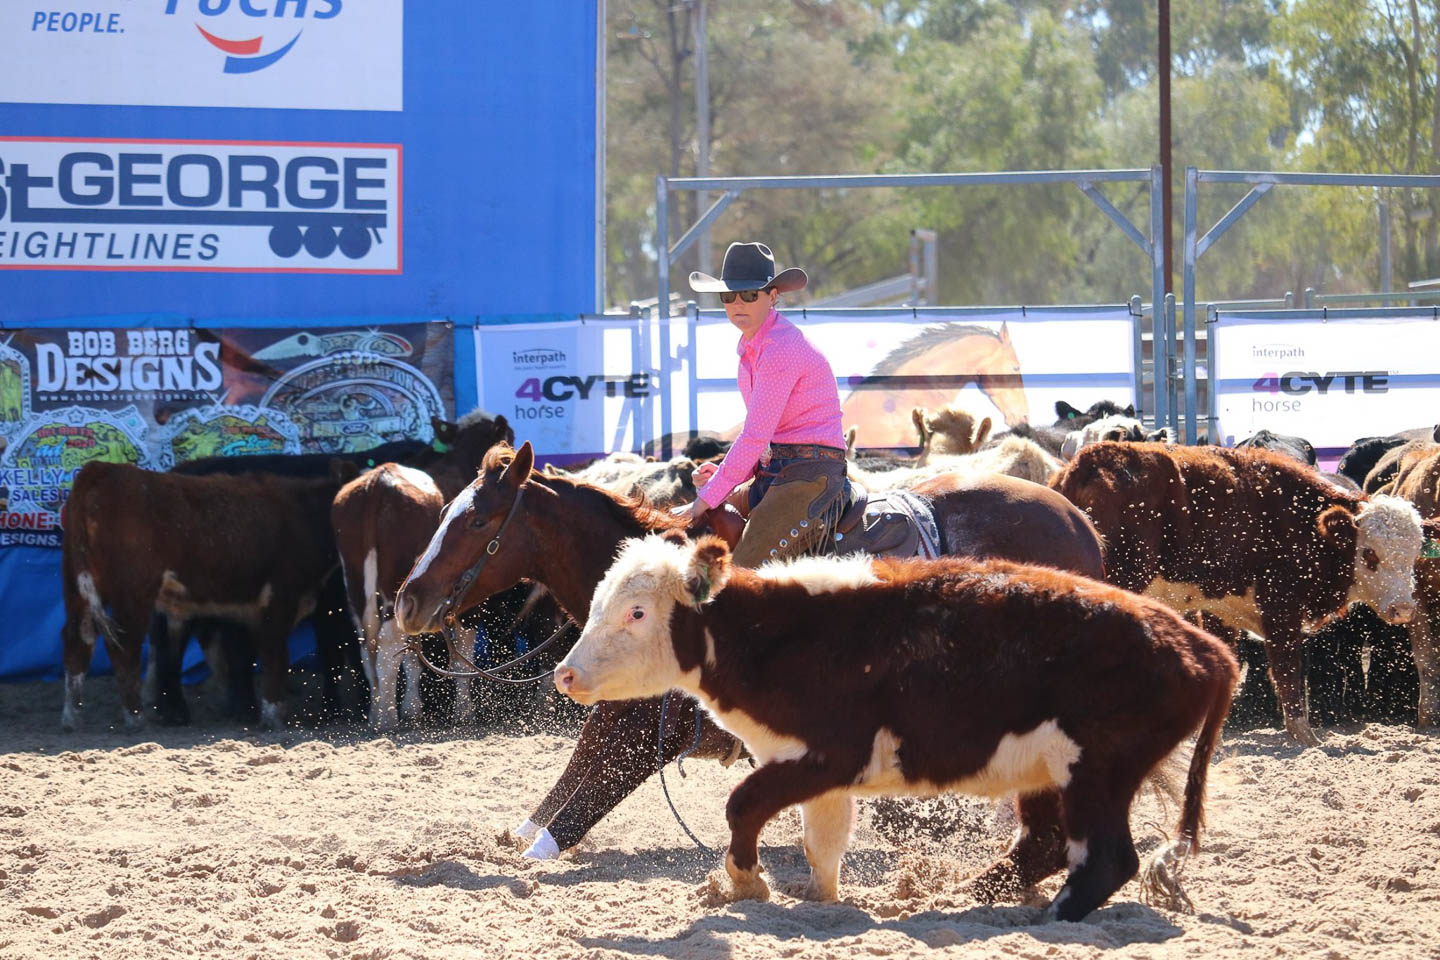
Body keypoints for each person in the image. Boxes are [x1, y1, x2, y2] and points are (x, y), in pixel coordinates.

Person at [670, 241, 849, 566]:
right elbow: (764, 437)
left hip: (810, 476)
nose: (738, 303)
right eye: (729, 296)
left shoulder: (779, 347)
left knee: (742, 572)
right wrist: (727, 475)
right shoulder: (756, 347)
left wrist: (707, 496)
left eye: (750, 294)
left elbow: (755, 435)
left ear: (773, 296)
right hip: (781, 471)